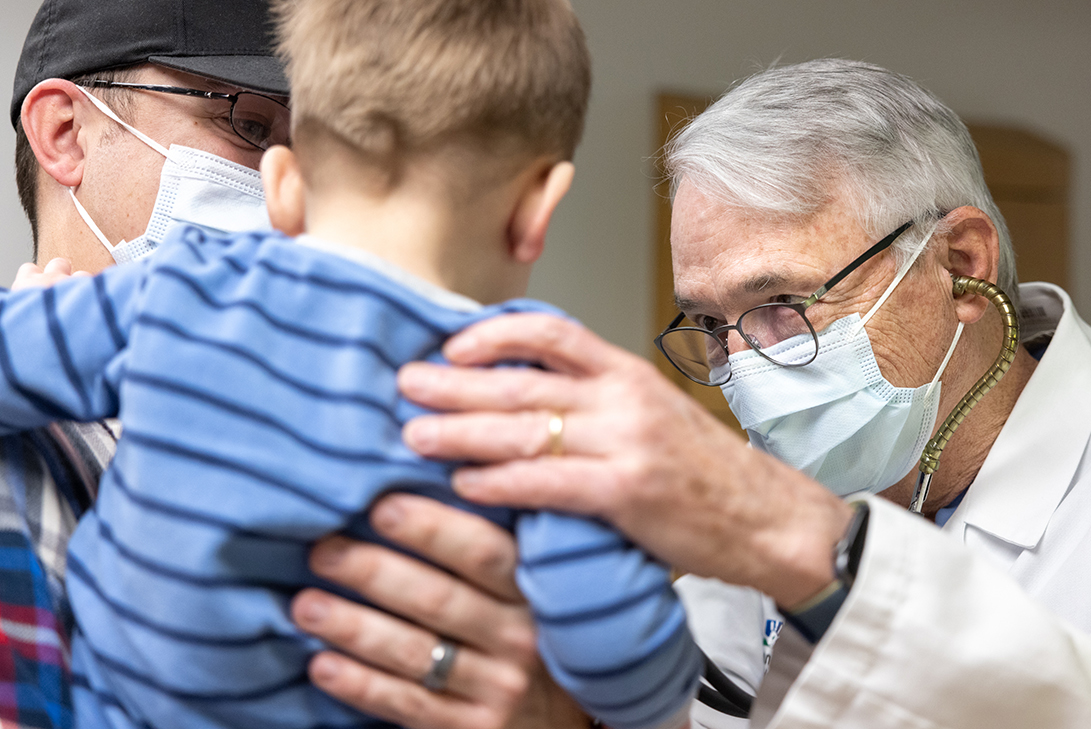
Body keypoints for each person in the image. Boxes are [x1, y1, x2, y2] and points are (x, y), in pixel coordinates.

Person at [393, 59, 1091, 728]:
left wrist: (805, 546)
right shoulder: (772, 511)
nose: (744, 367)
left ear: (959, 263)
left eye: (782, 305)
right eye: (711, 325)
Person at [2, 0, 703, 728]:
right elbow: (632, 662)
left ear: (286, 189)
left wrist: (33, 324)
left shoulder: (187, 288)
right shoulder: (531, 394)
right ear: (537, 211)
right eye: (246, 122)